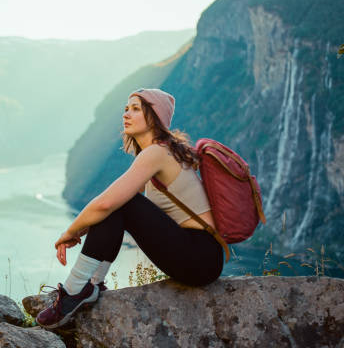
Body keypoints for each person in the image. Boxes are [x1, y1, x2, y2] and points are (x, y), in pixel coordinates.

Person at [36, 88, 224, 329]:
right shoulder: (163, 151)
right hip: (202, 256)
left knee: (122, 203)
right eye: (126, 109)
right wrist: (84, 228)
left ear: (154, 117)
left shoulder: (157, 153)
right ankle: (91, 286)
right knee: (120, 205)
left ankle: (74, 290)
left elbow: (106, 203)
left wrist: (70, 232)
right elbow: (110, 210)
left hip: (199, 257)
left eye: (136, 109)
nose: (126, 114)